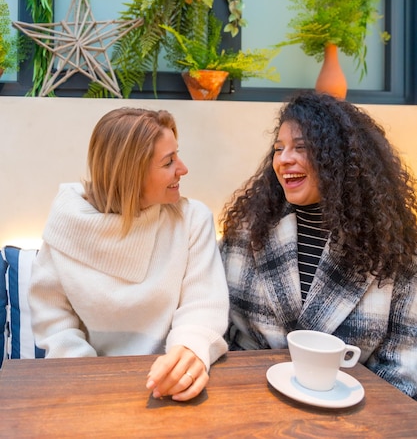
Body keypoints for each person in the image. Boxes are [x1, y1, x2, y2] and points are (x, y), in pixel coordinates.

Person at [219, 90, 417, 400]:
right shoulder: (247, 232)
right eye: (278, 148)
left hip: (350, 413)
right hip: (247, 398)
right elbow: (220, 330)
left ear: (338, 158)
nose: (284, 160)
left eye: (301, 147)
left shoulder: (393, 249)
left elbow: (404, 364)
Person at [29, 107, 229, 402]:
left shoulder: (192, 220)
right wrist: (91, 380)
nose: (183, 168)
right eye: (168, 162)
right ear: (131, 172)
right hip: (87, 388)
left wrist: (188, 351)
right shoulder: (67, 222)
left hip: (170, 389)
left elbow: (202, 306)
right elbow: (54, 320)